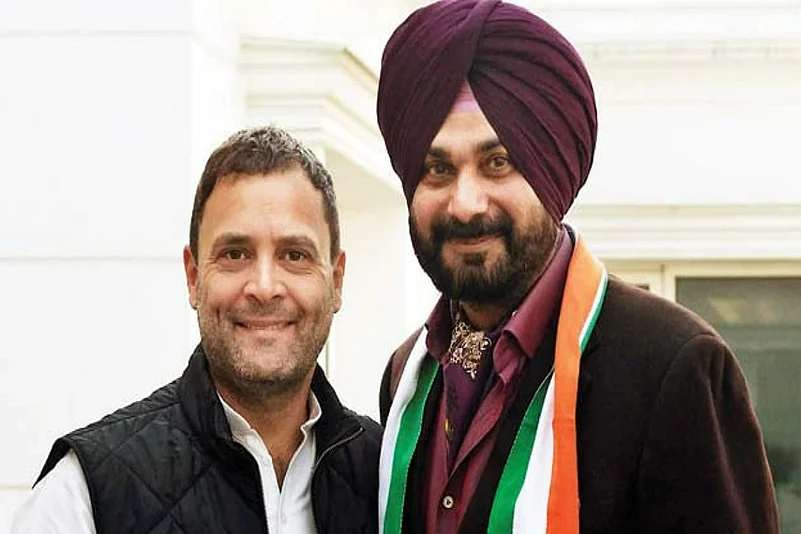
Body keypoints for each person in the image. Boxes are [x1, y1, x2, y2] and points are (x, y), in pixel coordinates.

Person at [374, 1, 779, 533]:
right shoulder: (407, 375)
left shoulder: (671, 367)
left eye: (498, 163)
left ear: (551, 173)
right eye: (436, 169)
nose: (466, 203)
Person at [12, 126, 381, 534]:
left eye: (294, 255)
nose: (264, 287)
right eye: (235, 254)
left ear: (337, 281)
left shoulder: (389, 478)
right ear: (193, 276)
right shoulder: (83, 494)